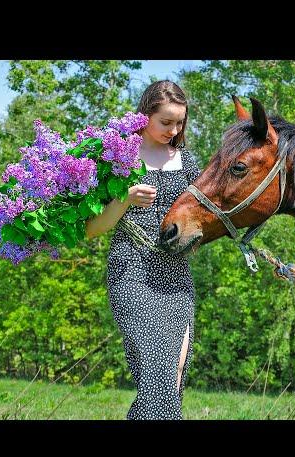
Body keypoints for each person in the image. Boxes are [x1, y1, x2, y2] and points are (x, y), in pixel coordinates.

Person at [85, 80, 201, 420]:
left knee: (174, 380)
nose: (174, 129)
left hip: (177, 279)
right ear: (145, 115)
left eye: (179, 122)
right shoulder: (118, 159)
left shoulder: (188, 161)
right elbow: (93, 229)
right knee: (157, 379)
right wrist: (125, 200)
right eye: (166, 121)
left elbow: (201, 215)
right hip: (132, 273)